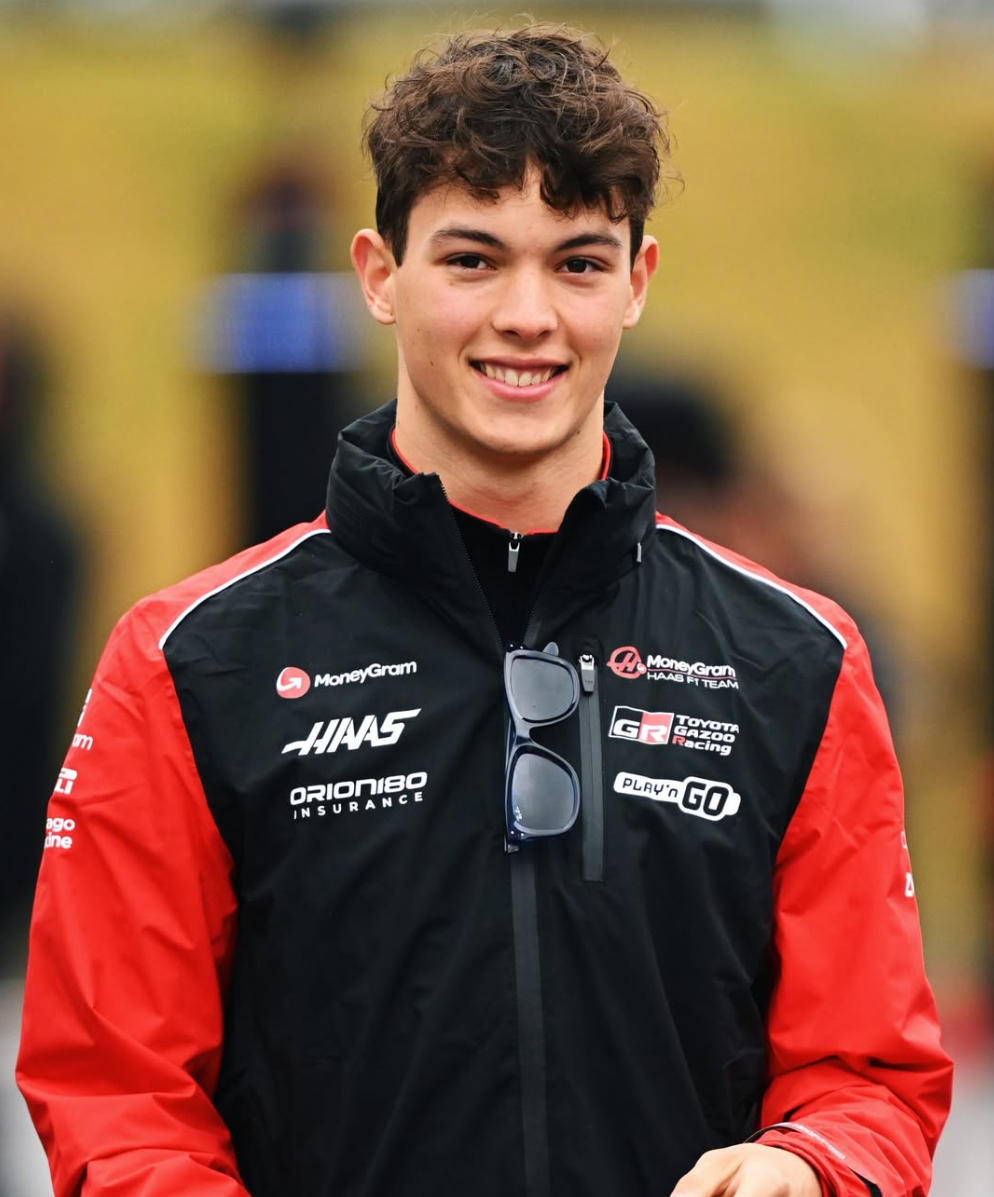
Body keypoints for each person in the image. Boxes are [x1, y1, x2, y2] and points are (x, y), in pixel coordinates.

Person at [17, 23, 951, 1197]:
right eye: (472, 259)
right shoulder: (191, 663)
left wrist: (810, 1166)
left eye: (576, 263)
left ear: (636, 282)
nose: (526, 314)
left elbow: (870, 1074)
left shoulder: (793, 660)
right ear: (379, 274)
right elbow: (115, 1095)